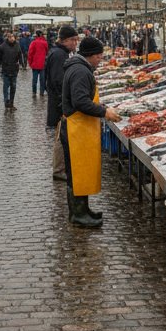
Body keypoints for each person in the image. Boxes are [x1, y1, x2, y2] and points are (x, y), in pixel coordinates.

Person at [60, 35, 121, 228]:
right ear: (90, 55)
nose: (101, 59)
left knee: (81, 172)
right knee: (76, 173)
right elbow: (80, 101)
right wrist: (104, 112)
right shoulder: (80, 71)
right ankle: (78, 215)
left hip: (79, 128)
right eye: (99, 56)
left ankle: (83, 210)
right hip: (76, 130)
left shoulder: (79, 67)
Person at [46, 24, 78, 180]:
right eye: (73, 40)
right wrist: (65, 103)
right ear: (65, 40)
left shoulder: (58, 52)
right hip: (59, 104)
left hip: (58, 102)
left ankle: (60, 168)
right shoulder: (60, 55)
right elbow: (59, 81)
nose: (75, 43)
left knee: (61, 136)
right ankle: (59, 170)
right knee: (61, 137)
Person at [0, 31, 22, 110]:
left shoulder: (17, 45)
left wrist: (21, 64)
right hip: (5, 69)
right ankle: (6, 101)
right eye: (10, 37)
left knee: (13, 87)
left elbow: (20, 55)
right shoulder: (2, 46)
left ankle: (11, 103)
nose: (11, 38)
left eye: (13, 37)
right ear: (7, 37)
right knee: (6, 86)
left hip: (14, 69)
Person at [28, 29, 49, 95]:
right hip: (42, 64)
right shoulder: (45, 42)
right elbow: (47, 52)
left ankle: (34, 92)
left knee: (34, 80)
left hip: (35, 64)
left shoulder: (33, 42)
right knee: (42, 80)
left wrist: (30, 63)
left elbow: (30, 54)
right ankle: (41, 92)